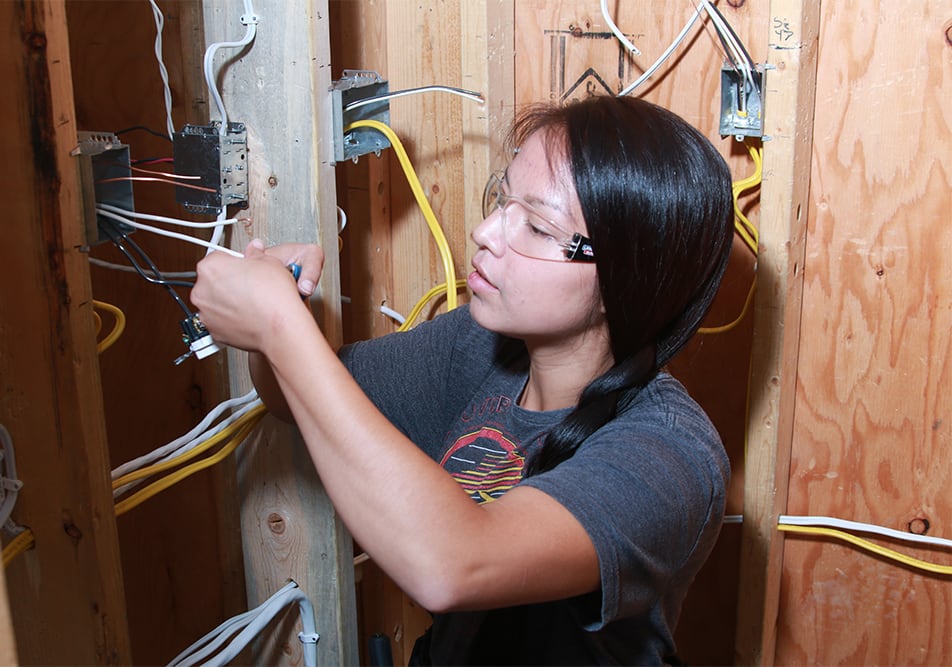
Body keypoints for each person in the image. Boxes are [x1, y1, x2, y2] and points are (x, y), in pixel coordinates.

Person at [191, 94, 735, 665]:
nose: (485, 232)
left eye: (537, 226)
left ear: (629, 276)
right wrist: (280, 312)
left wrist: (278, 327)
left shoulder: (670, 456)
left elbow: (451, 565)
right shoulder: (481, 349)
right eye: (503, 199)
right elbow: (291, 394)